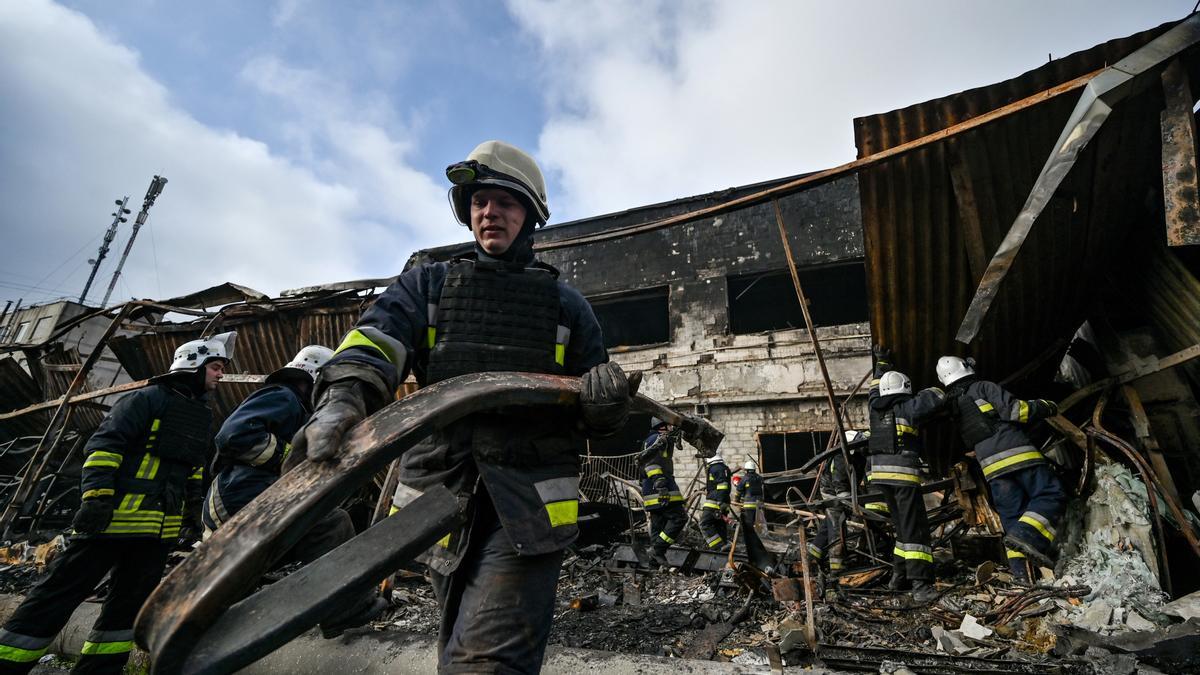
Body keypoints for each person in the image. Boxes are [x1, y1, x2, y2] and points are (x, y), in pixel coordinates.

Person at [290, 140, 630, 673]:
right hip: (439, 505)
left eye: (504, 202)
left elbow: (596, 415)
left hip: (527, 507)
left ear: (532, 214)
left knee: (487, 661)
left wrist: (608, 406)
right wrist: (343, 395)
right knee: (457, 644)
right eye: (478, 202)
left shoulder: (568, 308)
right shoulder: (429, 286)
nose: (488, 212)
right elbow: (376, 341)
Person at [0, 332, 234, 675]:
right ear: (193, 364)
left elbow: (193, 468)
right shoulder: (147, 399)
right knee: (56, 596)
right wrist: (95, 498)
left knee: (126, 611)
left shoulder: (199, 414)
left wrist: (190, 514)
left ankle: (100, 670)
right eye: (215, 367)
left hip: (155, 535)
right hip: (109, 523)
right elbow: (103, 447)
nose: (220, 374)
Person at [201, 345, 386, 637]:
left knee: (237, 581)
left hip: (248, 495)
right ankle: (344, 609)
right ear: (313, 376)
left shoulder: (297, 409)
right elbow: (233, 435)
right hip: (242, 492)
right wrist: (290, 457)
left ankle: (209, 637)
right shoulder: (282, 395)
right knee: (331, 525)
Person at [937, 355, 1065, 583]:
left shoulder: (954, 405)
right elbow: (1017, 412)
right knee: (1050, 494)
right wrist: (1046, 406)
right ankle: (1026, 536)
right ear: (965, 369)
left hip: (991, 468)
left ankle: (1023, 577)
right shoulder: (983, 387)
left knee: (1012, 516)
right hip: (1018, 454)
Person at [868, 346, 944, 604]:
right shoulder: (908, 407)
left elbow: (873, 387)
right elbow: (936, 396)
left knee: (901, 528)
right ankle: (921, 586)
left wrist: (881, 363)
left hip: (880, 478)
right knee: (915, 531)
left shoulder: (874, 409)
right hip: (903, 478)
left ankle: (897, 577)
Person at [808, 430, 867, 577]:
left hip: (844, 489)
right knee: (836, 522)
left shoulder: (858, 456)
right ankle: (837, 566)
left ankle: (814, 554)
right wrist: (850, 503)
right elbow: (839, 483)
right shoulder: (841, 456)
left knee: (829, 522)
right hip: (831, 491)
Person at [640, 417, 686, 565]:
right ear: (662, 426)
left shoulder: (655, 439)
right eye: (669, 425)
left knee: (658, 525)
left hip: (651, 489)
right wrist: (661, 484)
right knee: (679, 518)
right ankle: (658, 549)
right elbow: (650, 464)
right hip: (661, 488)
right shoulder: (656, 439)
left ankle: (654, 564)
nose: (672, 428)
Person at [698, 451, 732, 551]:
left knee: (705, 524)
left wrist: (719, 502)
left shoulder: (716, 468)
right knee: (719, 526)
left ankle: (718, 547)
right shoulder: (723, 467)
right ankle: (724, 548)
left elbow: (722, 485)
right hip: (723, 502)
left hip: (715, 502)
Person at [734, 458, 764, 532]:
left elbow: (738, 491)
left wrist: (736, 501)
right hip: (759, 504)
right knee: (758, 523)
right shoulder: (759, 478)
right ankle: (760, 536)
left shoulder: (745, 478)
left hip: (749, 505)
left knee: (749, 524)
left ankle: (751, 538)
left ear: (747, 470)